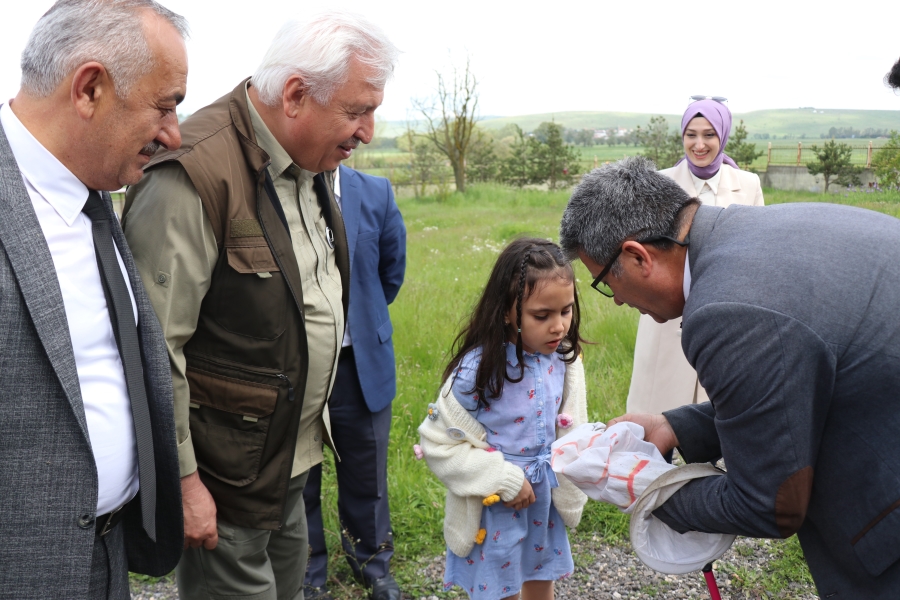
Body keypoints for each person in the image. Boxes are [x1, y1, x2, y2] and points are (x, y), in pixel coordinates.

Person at [122, 11, 399, 600]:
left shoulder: (308, 161)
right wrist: (186, 483)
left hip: (286, 463)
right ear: (296, 95)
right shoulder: (195, 174)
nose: (368, 131)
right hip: (224, 475)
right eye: (357, 111)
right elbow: (152, 347)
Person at [559, 156, 900, 598]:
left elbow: (770, 504)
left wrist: (647, 488)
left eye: (605, 282)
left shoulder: (724, 311)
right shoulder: (760, 230)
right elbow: (788, 387)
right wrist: (672, 426)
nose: (619, 302)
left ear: (637, 256)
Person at [0, 0, 188, 597]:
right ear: (89, 89)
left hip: (104, 559)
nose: (173, 134)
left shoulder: (93, 193)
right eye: (164, 106)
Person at [419, 238, 589, 600]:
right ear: (508, 310)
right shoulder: (478, 372)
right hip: (497, 505)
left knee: (542, 579)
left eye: (566, 311)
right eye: (541, 316)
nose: (558, 327)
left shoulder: (564, 360)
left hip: (543, 501)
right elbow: (437, 444)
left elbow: (573, 425)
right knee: (500, 588)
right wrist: (503, 480)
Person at [302, 165, 406, 600]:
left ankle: (372, 565)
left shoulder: (376, 192)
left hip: (359, 362)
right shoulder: (279, 188)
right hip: (300, 366)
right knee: (298, 478)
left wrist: (356, 322)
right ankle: (306, 574)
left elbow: (390, 272)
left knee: (367, 476)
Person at [627, 97, 763, 416]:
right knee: (657, 412)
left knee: (716, 409)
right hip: (665, 315)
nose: (699, 144)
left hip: (722, 310)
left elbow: (756, 251)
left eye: (709, 135)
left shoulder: (748, 184)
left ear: (723, 136)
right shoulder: (657, 183)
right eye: (691, 134)